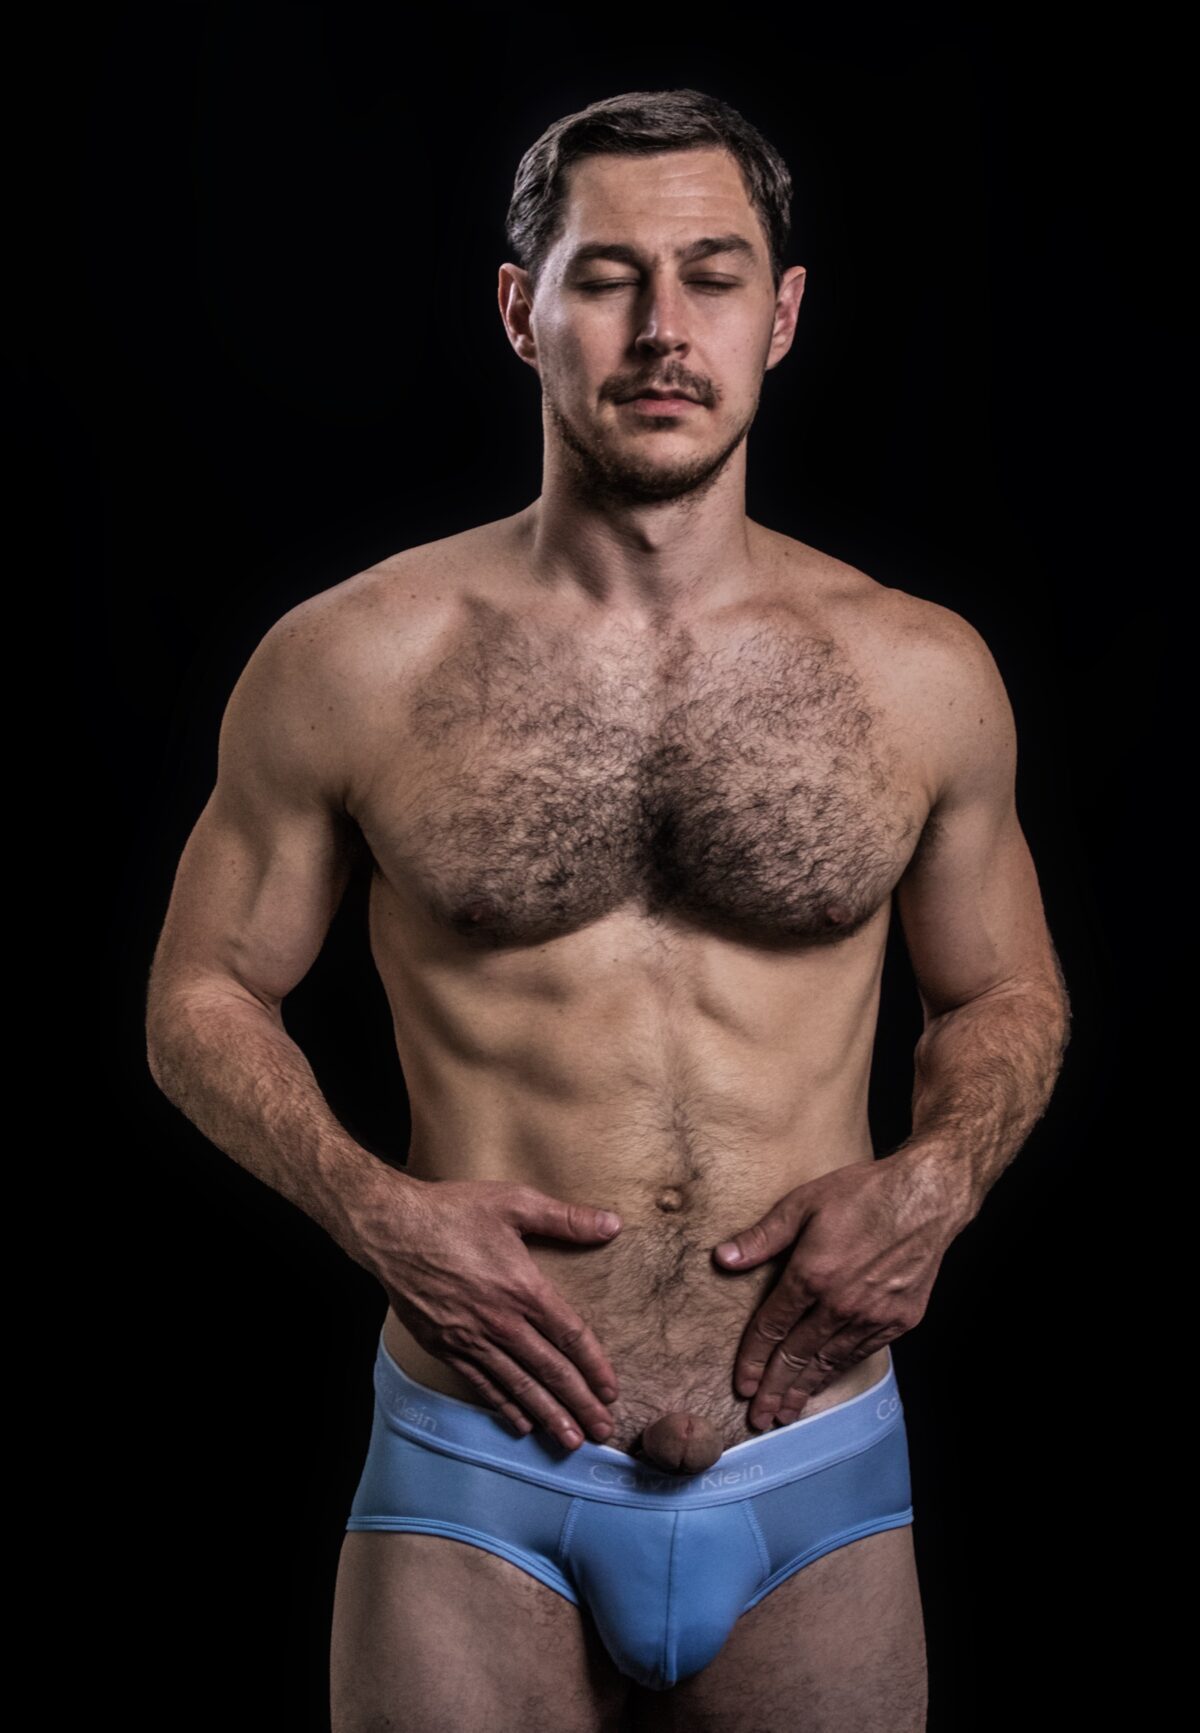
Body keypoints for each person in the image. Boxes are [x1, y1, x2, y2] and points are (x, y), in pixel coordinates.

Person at [145, 87, 1071, 1733]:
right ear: (523, 309)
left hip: (814, 1466)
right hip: (475, 1469)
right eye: (606, 276)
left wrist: (942, 1177)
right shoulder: (354, 657)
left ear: (783, 313)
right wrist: (376, 1211)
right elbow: (200, 994)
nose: (662, 329)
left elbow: (1007, 993)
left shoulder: (919, 670)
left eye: (712, 275)